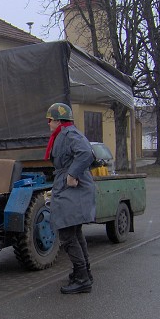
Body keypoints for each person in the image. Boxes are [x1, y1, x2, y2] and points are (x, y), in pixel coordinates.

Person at [44, 103, 95, 294]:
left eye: (50, 120)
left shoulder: (68, 134)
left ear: (59, 121)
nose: (48, 124)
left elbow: (86, 153)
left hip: (72, 189)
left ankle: (82, 278)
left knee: (66, 234)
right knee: (74, 232)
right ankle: (84, 273)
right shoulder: (66, 133)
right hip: (70, 188)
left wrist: (72, 174)